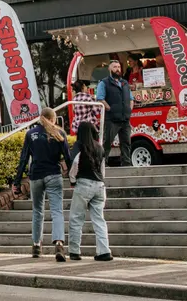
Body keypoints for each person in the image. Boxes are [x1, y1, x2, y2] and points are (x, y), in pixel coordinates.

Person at [14, 106, 70, 262]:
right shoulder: (60, 133)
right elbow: (67, 156)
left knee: (37, 211)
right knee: (57, 210)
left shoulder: (30, 134)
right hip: (53, 175)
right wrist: (73, 178)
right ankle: (59, 244)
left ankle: (36, 245)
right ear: (53, 119)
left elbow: (24, 159)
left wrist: (17, 182)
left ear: (40, 118)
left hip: (36, 176)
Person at [68, 120, 114, 262]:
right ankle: (104, 251)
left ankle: (75, 251)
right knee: (99, 219)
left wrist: (72, 180)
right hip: (100, 185)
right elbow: (102, 169)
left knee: (76, 218)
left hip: (84, 184)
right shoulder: (99, 147)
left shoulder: (79, 145)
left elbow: (74, 163)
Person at [97, 59, 134, 166]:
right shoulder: (104, 83)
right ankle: (103, 164)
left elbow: (131, 99)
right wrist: (110, 109)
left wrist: (129, 110)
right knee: (107, 142)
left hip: (125, 118)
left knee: (126, 142)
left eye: (118, 67)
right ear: (109, 69)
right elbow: (100, 99)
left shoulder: (125, 83)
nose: (117, 69)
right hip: (111, 119)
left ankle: (126, 163)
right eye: (115, 67)